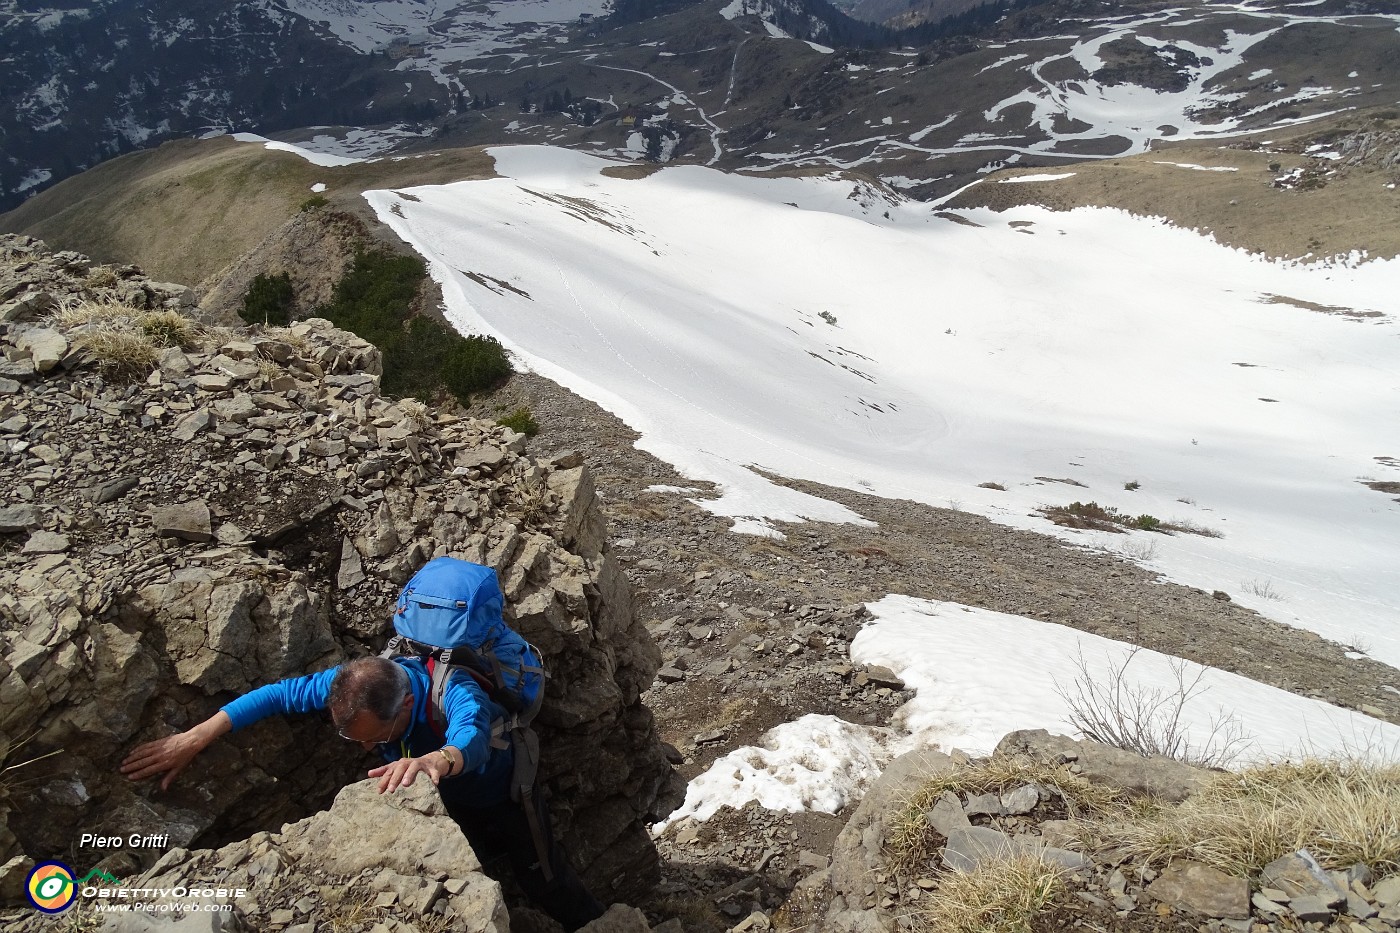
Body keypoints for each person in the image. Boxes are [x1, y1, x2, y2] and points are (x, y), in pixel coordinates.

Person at [120, 655, 605, 931]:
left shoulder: (455, 692)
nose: (370, 747)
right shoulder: (359, 687)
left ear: (409, 703)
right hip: (449, 801)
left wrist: (438, 760)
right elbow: (274, 695)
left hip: (505, 794)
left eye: (376, 735)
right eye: (356, 739)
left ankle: (599, 923)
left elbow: (472, 737)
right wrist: (196, 737)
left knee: (544, 876)